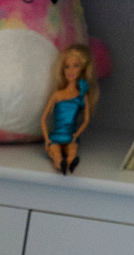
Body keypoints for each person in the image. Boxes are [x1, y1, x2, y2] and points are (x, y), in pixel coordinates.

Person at [42, 44, 98, 175]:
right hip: (56, 135)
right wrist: (47, 139)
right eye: (67, 66)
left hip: (70, 135)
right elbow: (43, 119)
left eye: (75, 66)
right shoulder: (57, 95)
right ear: (62, 69)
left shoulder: (81, 96)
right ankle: (59, 163)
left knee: (72, 149)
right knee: (54, 151)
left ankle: (71, 161)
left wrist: (76, 134)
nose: (70, 70)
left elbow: (86, 120)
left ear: (81, 69)